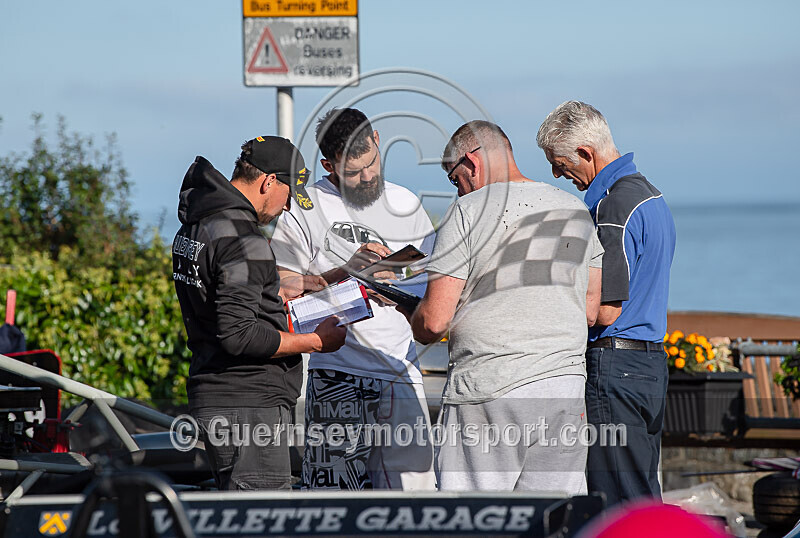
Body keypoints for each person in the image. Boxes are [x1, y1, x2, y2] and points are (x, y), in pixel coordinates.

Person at [407, 120, 603, 493]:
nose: (458, 189)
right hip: (564, 389)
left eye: (455, 179)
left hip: (490, 387)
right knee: (554, 519)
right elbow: (591, 310)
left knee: (475, 521)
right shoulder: (576, 210)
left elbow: (433, 322)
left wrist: (408, 310)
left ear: (471, 162)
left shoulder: (468, 211)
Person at [270, 108, 437, 491]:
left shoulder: (407, 203)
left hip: (400, 370)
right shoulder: (303, 208)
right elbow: (281, 285)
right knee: (335, 500)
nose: (367, 177)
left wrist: (398, 289)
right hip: (337, 374)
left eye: (371, 164)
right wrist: (347, 272)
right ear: (328, 164)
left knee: (416, 503)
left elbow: (432, 285)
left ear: (377, 140)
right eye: (352, 172)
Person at [172, 136, 346, 490]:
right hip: (248, 405)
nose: (286, 209)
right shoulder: (243, 237)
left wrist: (309, 283)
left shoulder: (197, 226)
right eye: (288, 197)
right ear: (269, 182)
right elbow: (238, 334)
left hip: (217, 394)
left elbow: (223, 292)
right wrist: (316, 341)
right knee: (263, 519)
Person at [537, 101, 676, 506]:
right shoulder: (651, 196)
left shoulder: (611, 206)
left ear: (586, 153)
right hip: (648, 366)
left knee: (618, 505)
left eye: (558, 162)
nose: (557, 174)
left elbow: (605, 309)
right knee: (641, 496)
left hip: (615, 368)